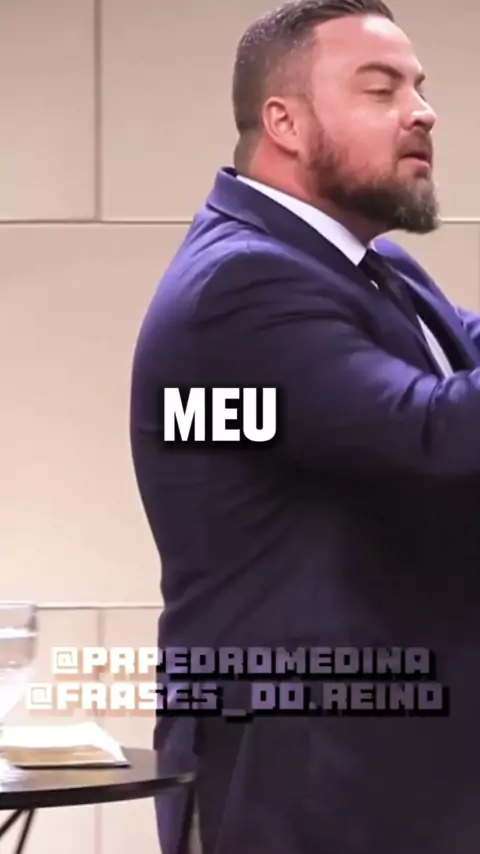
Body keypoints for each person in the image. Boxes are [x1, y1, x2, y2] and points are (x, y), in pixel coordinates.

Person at [129, 1, 480, 852]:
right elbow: (429, 434)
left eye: (419, 88)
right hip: (306, 785)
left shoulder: (374, 264)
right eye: (381, 89)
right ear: (284, 121)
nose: (422, 112)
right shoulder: (242, 283)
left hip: (398, 772)